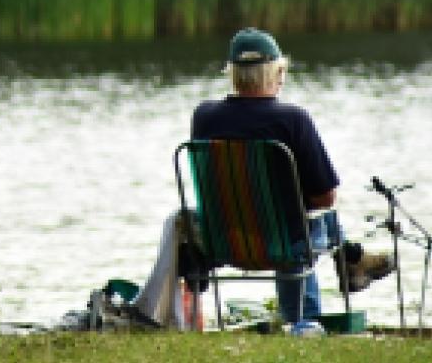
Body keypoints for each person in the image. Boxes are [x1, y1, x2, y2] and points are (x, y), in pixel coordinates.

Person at [131, 27, 393, 334]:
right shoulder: (294, 120)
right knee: (319, 218)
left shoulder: (204, 117)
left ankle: (352, 260)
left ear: (232, 74)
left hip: (224, 242)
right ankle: (318, 301)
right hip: (283, 246)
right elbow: (325, 198)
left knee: (298, 222)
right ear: (278, 72)